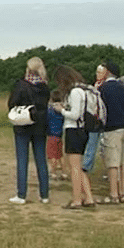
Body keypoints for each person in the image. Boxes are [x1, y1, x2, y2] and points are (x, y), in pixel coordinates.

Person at [8, 57, 50, 204]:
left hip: (23, 125)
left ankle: (21, 194)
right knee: (41, 160)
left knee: (22, 159)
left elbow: (12, 102)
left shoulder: (21, 85)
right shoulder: (44, 87)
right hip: (40, 126)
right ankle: (44, 195)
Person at [53, 65, 96, 209]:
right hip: (82, 130)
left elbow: (75, 115)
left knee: (74, 167)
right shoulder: (84, 90)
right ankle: (88, 198)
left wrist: (62, 110)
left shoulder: (75, 92)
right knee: (79, 166)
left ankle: (77, 199)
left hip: (74, 130)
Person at [97, 60, 124, 205]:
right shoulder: (123, 88)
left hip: (112, 127)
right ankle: (123, 192)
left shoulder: (104, 88)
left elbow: (100, 109)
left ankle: (114, 194)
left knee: (113, 162)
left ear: (107, 72)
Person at [81, 65, 105, 179]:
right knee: (91, 143)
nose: (97, 75)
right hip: (94, 119)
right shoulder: (94, 87)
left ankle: (90, 166)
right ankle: (87, 165)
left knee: (101, 146)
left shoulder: (104, 86)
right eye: (97, 72)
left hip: (101, 119)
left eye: (100, 72)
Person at [47, 89, 68, 181]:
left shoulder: (50, 110)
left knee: (52, 156)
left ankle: (53, 172)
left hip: (51, 135)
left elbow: (46, 120)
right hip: (59, 135)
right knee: (60, 155)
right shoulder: (62, 110)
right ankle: (64, 173)